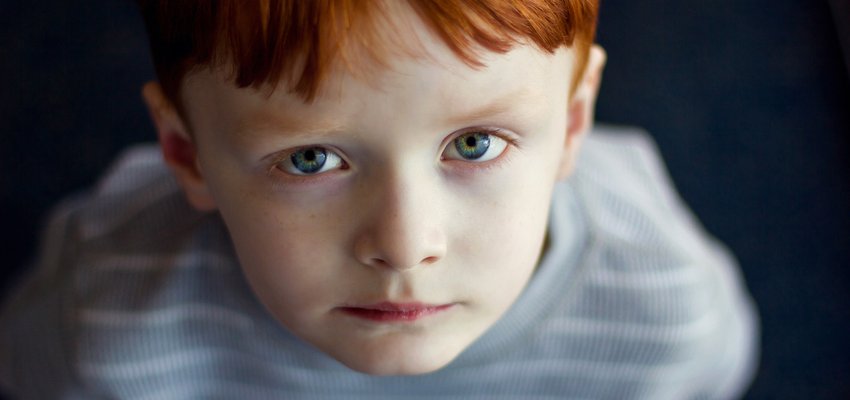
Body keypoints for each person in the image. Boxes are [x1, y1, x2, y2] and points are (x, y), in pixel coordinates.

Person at [0, 1, 759, 398]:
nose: (405, 245)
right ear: (184, 153)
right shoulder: (106, 325)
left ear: (571, 124)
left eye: (474, 145)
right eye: (310, 158)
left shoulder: (660, 310)